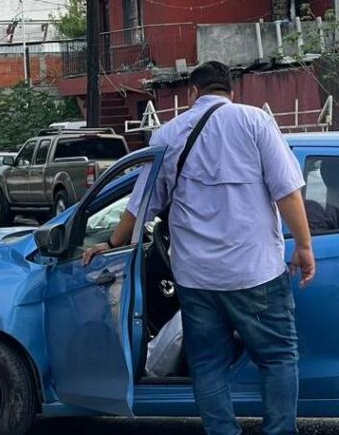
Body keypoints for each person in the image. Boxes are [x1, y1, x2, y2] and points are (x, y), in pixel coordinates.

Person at [83, 61, 316, 435]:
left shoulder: (168, 135)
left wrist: (108, 244)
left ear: (192, 93)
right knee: (277, 358)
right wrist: (303, 245)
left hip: (196, 277)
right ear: (230, 91)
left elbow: (140, 206)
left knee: (208, 365)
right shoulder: (255, 121)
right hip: (255, 272)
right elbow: (287, 191)